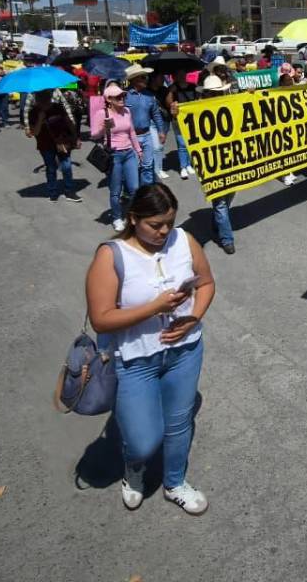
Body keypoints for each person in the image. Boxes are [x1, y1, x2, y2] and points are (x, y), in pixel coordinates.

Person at [85, 184, 215, 516]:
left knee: (179, 424)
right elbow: (101, 319)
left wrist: (194, 318)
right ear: (133, 218)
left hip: (184, 353)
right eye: (155, 225)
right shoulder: (111, 255)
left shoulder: (184, 240)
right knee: (143, 440)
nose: (164, 231)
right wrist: (155, 307)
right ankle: (134, 468)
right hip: (134, 361)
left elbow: (206, 283)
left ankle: (175, 483)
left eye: (169, 222)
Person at [91, 83, 143, 232]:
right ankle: (116, 217)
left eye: (123, 96)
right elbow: (94, 135)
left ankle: (132, 216)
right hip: (114, 155)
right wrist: (104, 128)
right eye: (118, 97)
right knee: (116, 191)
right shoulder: (102, 114)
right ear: (109, 99)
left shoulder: (127, 111)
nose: (122, 99)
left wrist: (138, 150)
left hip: (129, 153)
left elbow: (131, 132)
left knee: (134, 188)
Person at [197, 75, 238, 254]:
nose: (215, 95)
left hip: (230, 157)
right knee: (220, 202)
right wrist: (176, 114)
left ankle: (217, 221)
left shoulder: (229, 104)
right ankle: (227, 239)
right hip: (211, 161)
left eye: (218, 92)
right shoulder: (197, 110)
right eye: (212, 93)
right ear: (206, 94)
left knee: (230, 194)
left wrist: (252, 96)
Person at [26, 88, 82, 202]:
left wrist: (76, 137)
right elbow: (34, 132)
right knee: (51, 168)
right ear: (37, 99)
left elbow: (69, 122)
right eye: (41, 98)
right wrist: (40, 119)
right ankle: (52, 192)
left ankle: (69, 191)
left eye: (46, 97)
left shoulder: (58, 107)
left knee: (66, 166)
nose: (44, 101)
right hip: (45, 144)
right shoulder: (33, 112)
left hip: (62, 141)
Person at [124, 64, 167, 185]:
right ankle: (132, 189)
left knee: (147, 165)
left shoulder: (149, 95)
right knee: (133, 166)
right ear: (134, 79)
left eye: (146, 76)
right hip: (130, 137)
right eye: (143, 77)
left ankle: (146, 190)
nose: (146, 79)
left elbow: (156, 114)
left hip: (147, 135)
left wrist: (161, 131)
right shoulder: (124, 96)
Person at [165, 72, 199, 181]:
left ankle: (189, 164)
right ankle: (183, 167)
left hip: (191, 119)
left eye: (182, 73)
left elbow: (198, 100)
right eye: (178, 74)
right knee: (182, 143)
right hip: (178, 120)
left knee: (190, 142)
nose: (180, 76)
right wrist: (171, 92)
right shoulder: (172, 88)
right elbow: (168, 103)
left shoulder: (193, 86)